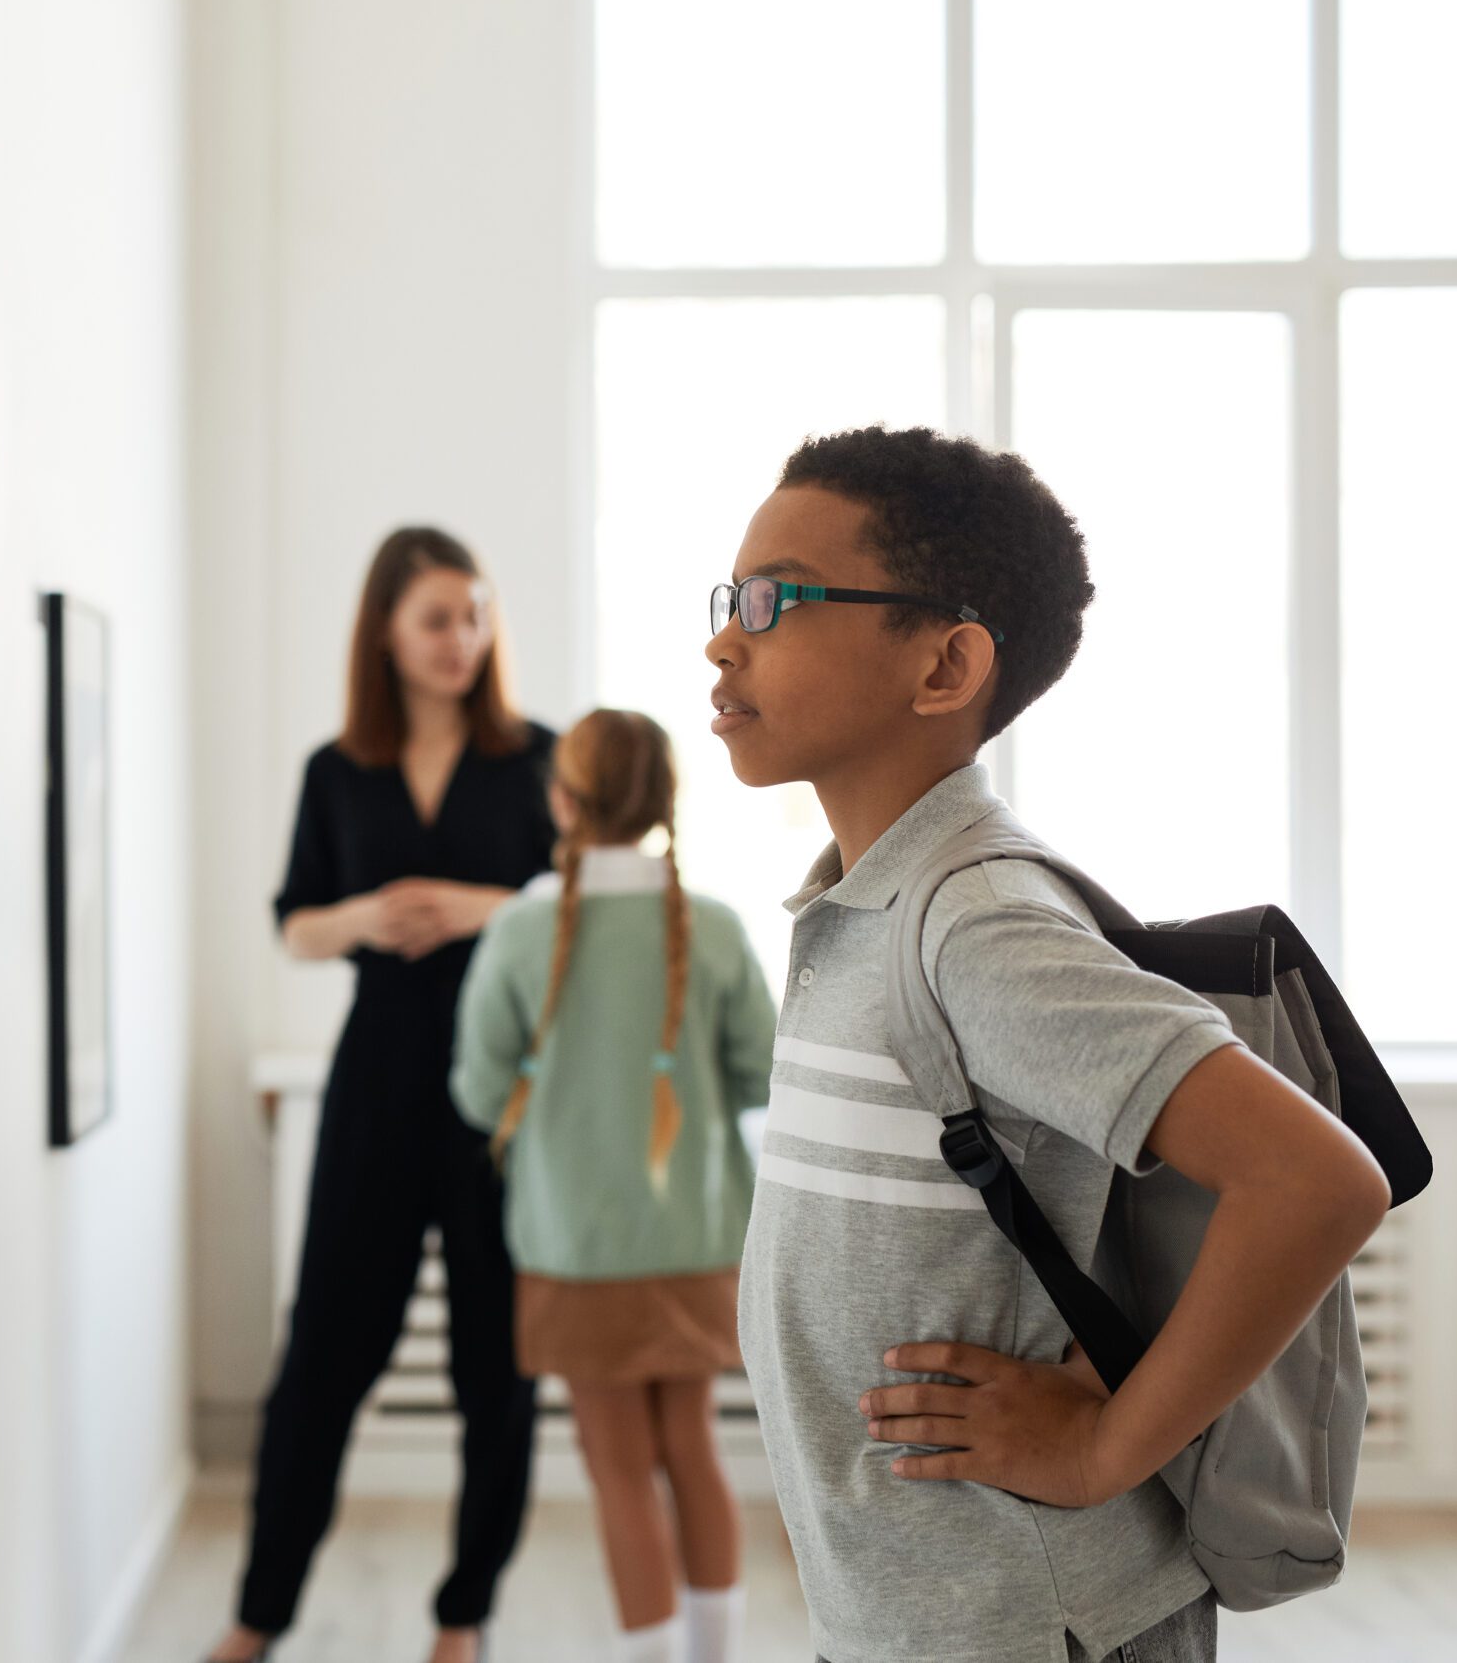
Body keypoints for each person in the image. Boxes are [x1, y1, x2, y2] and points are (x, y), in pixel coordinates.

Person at [705, 425, 1391, 1663]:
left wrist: (1102, 1449)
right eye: (728, 596)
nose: (723, 636)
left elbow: (1318, 1180)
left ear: (944, 662)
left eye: (774, 599)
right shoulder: (863, 907)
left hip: (1031, 1626)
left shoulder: (973, 926)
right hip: (909, 1619)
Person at [208, 526, 557, 1663]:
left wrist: (476, 908)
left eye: (474, 614)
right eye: (436, 619)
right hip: (374, 1090)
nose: (461, 639)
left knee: (494, 1369)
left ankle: (465, 1619)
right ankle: (257, 1618)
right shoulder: (336, 770)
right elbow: (295, 927)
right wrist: (367, 917)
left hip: (503, 1097)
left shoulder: (541, 761)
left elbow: (586, 920)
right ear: (387, 636)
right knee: (319, 1363)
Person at [452, 708, 775, 1663]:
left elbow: (477, 1090)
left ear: (563, 798)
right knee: (693, 1448)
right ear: (665, 803)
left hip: (573, 1244)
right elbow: (764, 1070)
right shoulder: (712, 927)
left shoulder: (517, 929)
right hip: (700, 1237)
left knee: (619, 1467)